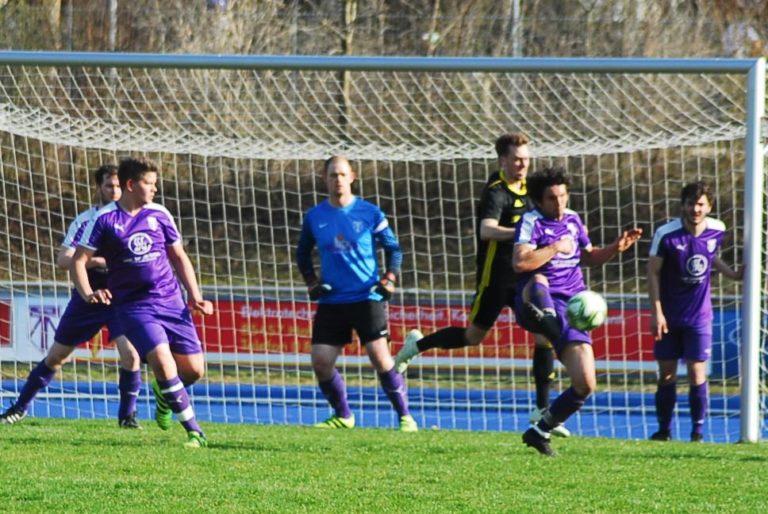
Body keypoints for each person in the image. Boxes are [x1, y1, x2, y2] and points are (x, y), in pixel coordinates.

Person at [393, 133, 568, 436]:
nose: (522, 165)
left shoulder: (532, 190)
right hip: (495, 277)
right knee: (473, 336)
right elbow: (487, 230)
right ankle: (416, 345)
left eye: (526, 159)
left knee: (544, 335)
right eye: (516, 159)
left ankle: (542, 410)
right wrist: (521, 233)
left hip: (524, 276)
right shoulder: (496, 191)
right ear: (503, 160)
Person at [71, 157, 213, 448]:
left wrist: (195, 295)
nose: (155, 189)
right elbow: (78, 261)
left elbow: (178, 256)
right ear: (131, 185)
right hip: (134, 306)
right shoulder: (105, 219)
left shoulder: (159, 214)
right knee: (162, 360)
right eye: (149, 183)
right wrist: (88, 293)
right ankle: (195, 432)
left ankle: (163, 393)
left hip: (171, 301)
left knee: (194, 370)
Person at [0, 165, 143, 429]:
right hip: (88, 297)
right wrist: (96, 261)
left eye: (118, 186)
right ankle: (19, 407)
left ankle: (127, 418)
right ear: (98, 188)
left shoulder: (135, 219)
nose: (114, 191)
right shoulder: (86, 220)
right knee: (57, 357)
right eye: (109, 186)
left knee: (131, 355)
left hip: (120, 298)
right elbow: (64, 259)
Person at [514, 167, 642, 456]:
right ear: (539, 200)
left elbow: (588, 257)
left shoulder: (573, 219)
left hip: (573, 305)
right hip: (540, 297)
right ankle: (547, 321)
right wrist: (554, 247)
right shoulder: (531, 221)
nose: (559, 203)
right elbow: (520, 263)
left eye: (562, 196)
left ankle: (540, 431)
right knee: (538, 279)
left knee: (585, 384)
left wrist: (615, 248)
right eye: (551, 198)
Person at [296, 155, 417, 432]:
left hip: (366, 297)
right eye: (332, 175)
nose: (337, 180)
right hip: (332, 299)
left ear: (352, 177)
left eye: (342, 174)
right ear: (324, 179)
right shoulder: (315, 216)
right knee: (321, 362)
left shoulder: (370, 213)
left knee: (380, 358)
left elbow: (394, 249)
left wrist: (389, 278)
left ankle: (405, 417)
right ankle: (344, 416)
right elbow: (302, 253)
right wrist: (311, 281)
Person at [647, 181, 742, 443]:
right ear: (683, 205)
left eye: (700, 204)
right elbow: (653, 272)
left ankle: (697, 433)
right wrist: (656, 312)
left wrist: (733, 274)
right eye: (691, 203)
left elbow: (710, 256)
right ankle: (664, 430)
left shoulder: (717, 230)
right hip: (669, 316)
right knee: (666, 373)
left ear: (709, 206)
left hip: (699, 316)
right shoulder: (666, 234)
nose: (695, 209)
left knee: (696, 372)